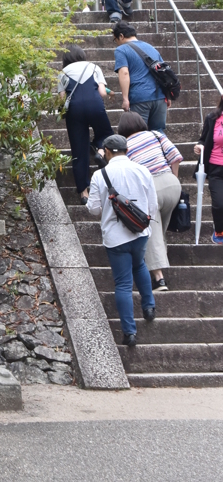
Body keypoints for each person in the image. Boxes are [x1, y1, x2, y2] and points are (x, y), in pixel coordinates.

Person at [86, 134, 158, 345]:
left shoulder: (101, 175)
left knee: (123, 284)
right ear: (126, 150)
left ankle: (129, 332)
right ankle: (149, 306)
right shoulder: (143, 170)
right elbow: (152, 205)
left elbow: (94, 209)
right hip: (140, 232)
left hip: (116, 237)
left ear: (107, 151)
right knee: (140, 265)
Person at [117, 111, 182, 291]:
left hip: (150, 188)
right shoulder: (156, 134)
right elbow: (176, 156)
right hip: (171, 185)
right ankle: (159, 261)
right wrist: (174, 178)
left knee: (152, 232)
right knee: (158, 229)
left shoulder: (125, 145)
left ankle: (159, 278)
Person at [58, 45, 113, 201]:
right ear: (82, 55)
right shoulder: (94, 67)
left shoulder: (62, 73)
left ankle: (84, 192)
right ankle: (101, 151)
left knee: (78, 149)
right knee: (105, 133)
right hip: (95, 105)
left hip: (74, 110)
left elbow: (62, 100)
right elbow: (102, 92)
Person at [112, 20, 170, 132]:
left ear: (121, 36)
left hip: (140, 97)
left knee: (139, 133)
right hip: (160, 97)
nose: (117, 43)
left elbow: (124, 73)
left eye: (115, 40)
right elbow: (164, 72)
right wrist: (167, 95)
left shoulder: (121, 50)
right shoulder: (151, 48)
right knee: (158, 133)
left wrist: (125, 99)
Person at [194, 95, 223, 245]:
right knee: (219, 204)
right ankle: (219, 230)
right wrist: (199, 145)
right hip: (215, 167)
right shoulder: (213, 118)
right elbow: (203, 139)